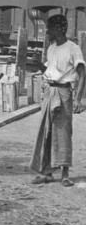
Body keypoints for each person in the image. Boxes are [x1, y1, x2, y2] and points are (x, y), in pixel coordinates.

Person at [30, 14, 85, 187]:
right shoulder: (51, 48)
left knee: (62, 133)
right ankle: (46, 172)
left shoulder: (73, 48)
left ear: (60, 29)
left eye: (50, 28)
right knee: (46, 132)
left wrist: (78, 99)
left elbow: (82, 74)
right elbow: (49, 69)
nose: (47, 31)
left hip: (64, 93)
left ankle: (65, 174)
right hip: (49, 91)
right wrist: (36, 63)